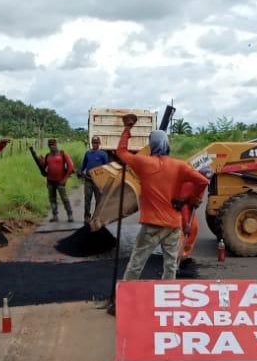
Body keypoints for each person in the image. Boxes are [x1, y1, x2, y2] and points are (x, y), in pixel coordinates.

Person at [115, 116, 209, 289]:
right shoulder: (180, 166)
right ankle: (167, 299)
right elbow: (203, 181)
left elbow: (121, 152)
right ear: (167, 145)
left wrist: (127, 128)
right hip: (173, 225)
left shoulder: (143, 163)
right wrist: (192, 199)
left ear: (151, 145)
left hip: (151, 225)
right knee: (170, 265)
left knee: (136, 263)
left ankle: (125, 298)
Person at [78, 136, 109, 223]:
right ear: (91, 143)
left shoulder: (103, 154)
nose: (95, 144)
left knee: (98, 200)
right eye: (93, 143)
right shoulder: (88, 153)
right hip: (88, 180)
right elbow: (84, 165)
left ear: (99, 144)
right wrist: (80, 171)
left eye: (96, 143)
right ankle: (87, 217)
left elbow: (106, 168)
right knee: (87, 199)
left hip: (98, 181)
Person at [43, 138, 75, 222]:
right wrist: (41, 162)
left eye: (53, 144)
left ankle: (70, 214)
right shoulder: (47, 156)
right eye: (50, 145)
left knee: (64, 199)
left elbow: (71, 167)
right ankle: (55, 216)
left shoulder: (62, 154)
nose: (51, 146)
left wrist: (65, 179)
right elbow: (44, 169)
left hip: (60, 181)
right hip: (50, 181)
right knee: (52, 199)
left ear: (56, 144)